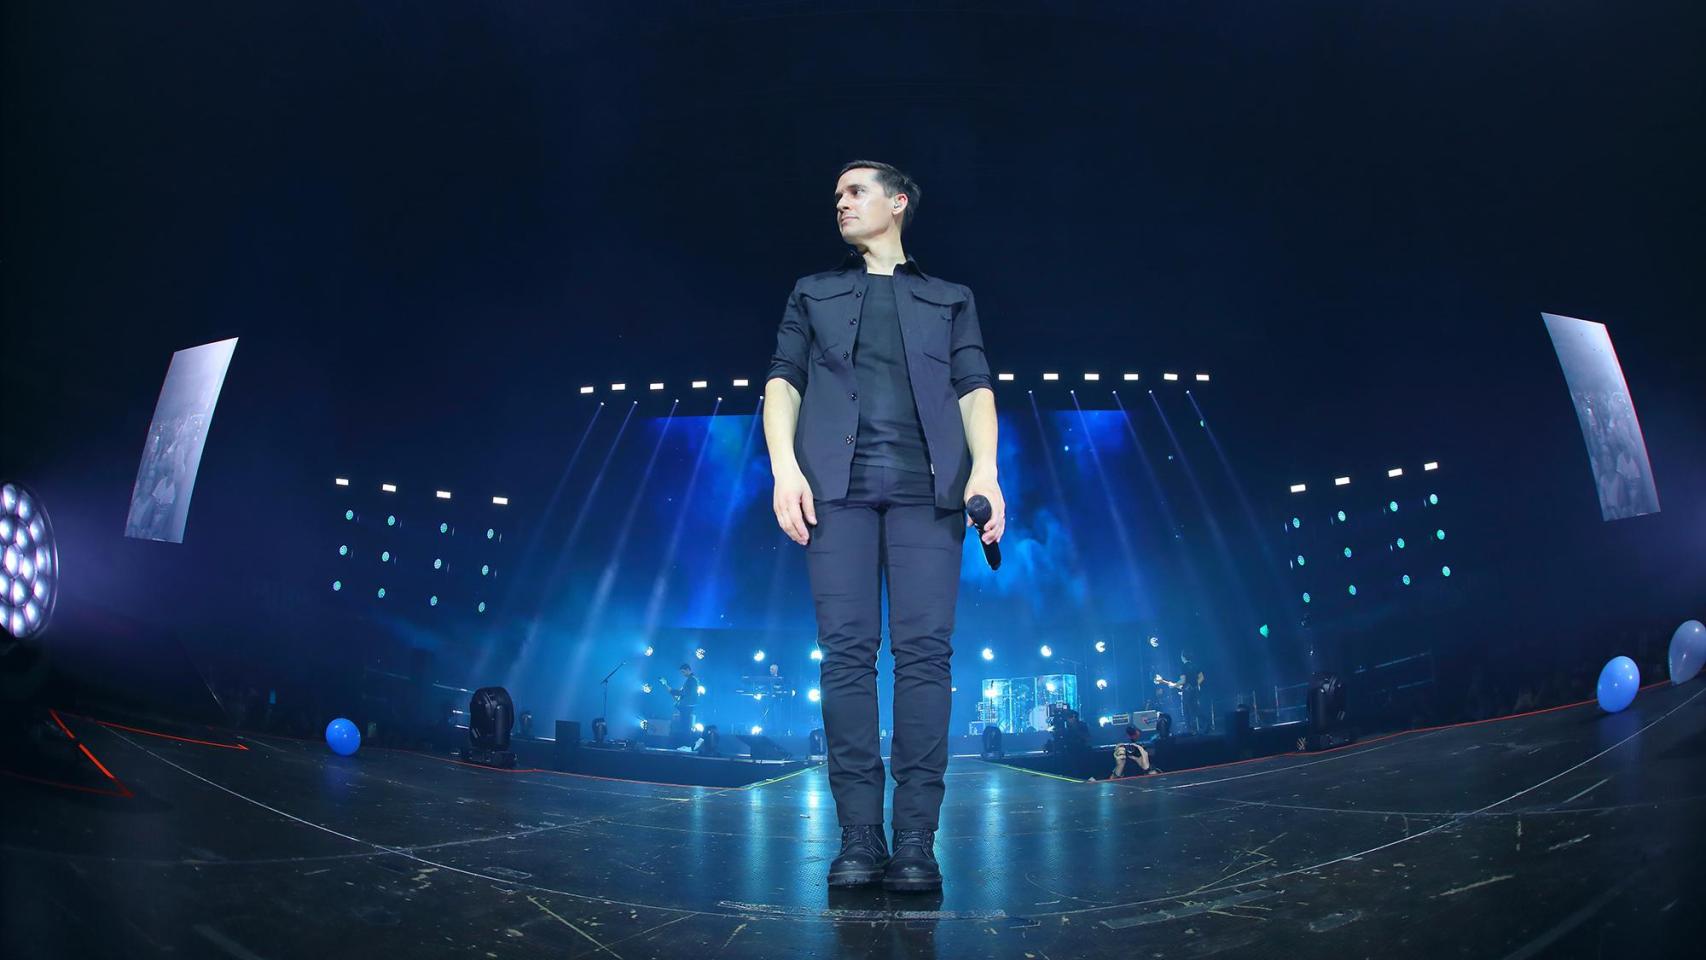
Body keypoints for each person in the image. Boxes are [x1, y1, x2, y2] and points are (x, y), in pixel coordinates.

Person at [765, 160, 1003, 893]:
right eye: (836, 194)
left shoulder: (950, 298)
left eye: (855, 191)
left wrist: (987, 473)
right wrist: (784, 469)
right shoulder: (813, 291)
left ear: (897, 203)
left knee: (925, 655)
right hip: (834, 489)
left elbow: (974, 387)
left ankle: (916, 840)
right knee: (845, 655)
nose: (840, 203)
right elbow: (782, 380)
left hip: (930, 491)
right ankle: (859, 836)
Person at [669, 663, 699, 747]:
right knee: (685, 725)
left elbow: (685, 693)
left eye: (683, 672)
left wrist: (673, 691)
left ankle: (686, 745)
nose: (683, 674)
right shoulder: (691, 680)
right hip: (687, 705)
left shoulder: (691, 680)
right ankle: (686, 745)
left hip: (687, 706)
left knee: (685, 726)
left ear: (688, 670)